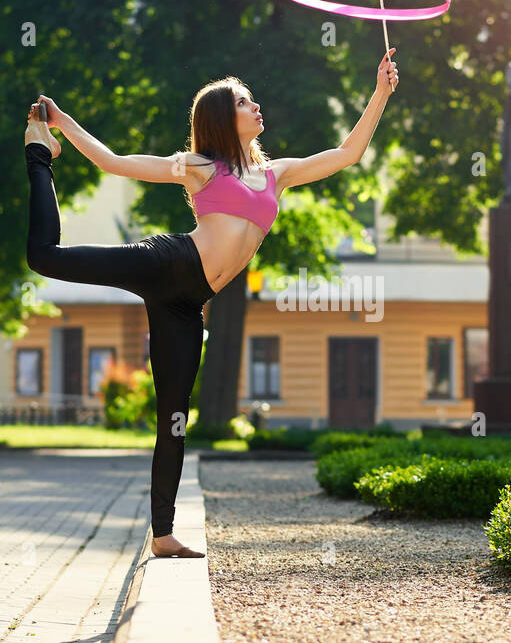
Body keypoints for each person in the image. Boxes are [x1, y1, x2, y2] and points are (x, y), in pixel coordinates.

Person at [23, 50, 400, 557]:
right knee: (45, 257)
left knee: (174, 415)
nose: (257, 106)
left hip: (189, 302)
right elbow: (115, 162)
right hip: (167, 263)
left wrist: (379, 93)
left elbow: (346, 153)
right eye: (246, 102)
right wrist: (59, 124)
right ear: (226, 117)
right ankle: (37, 155)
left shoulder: (277, 174)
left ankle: (162, 536)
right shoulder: (201, 167)